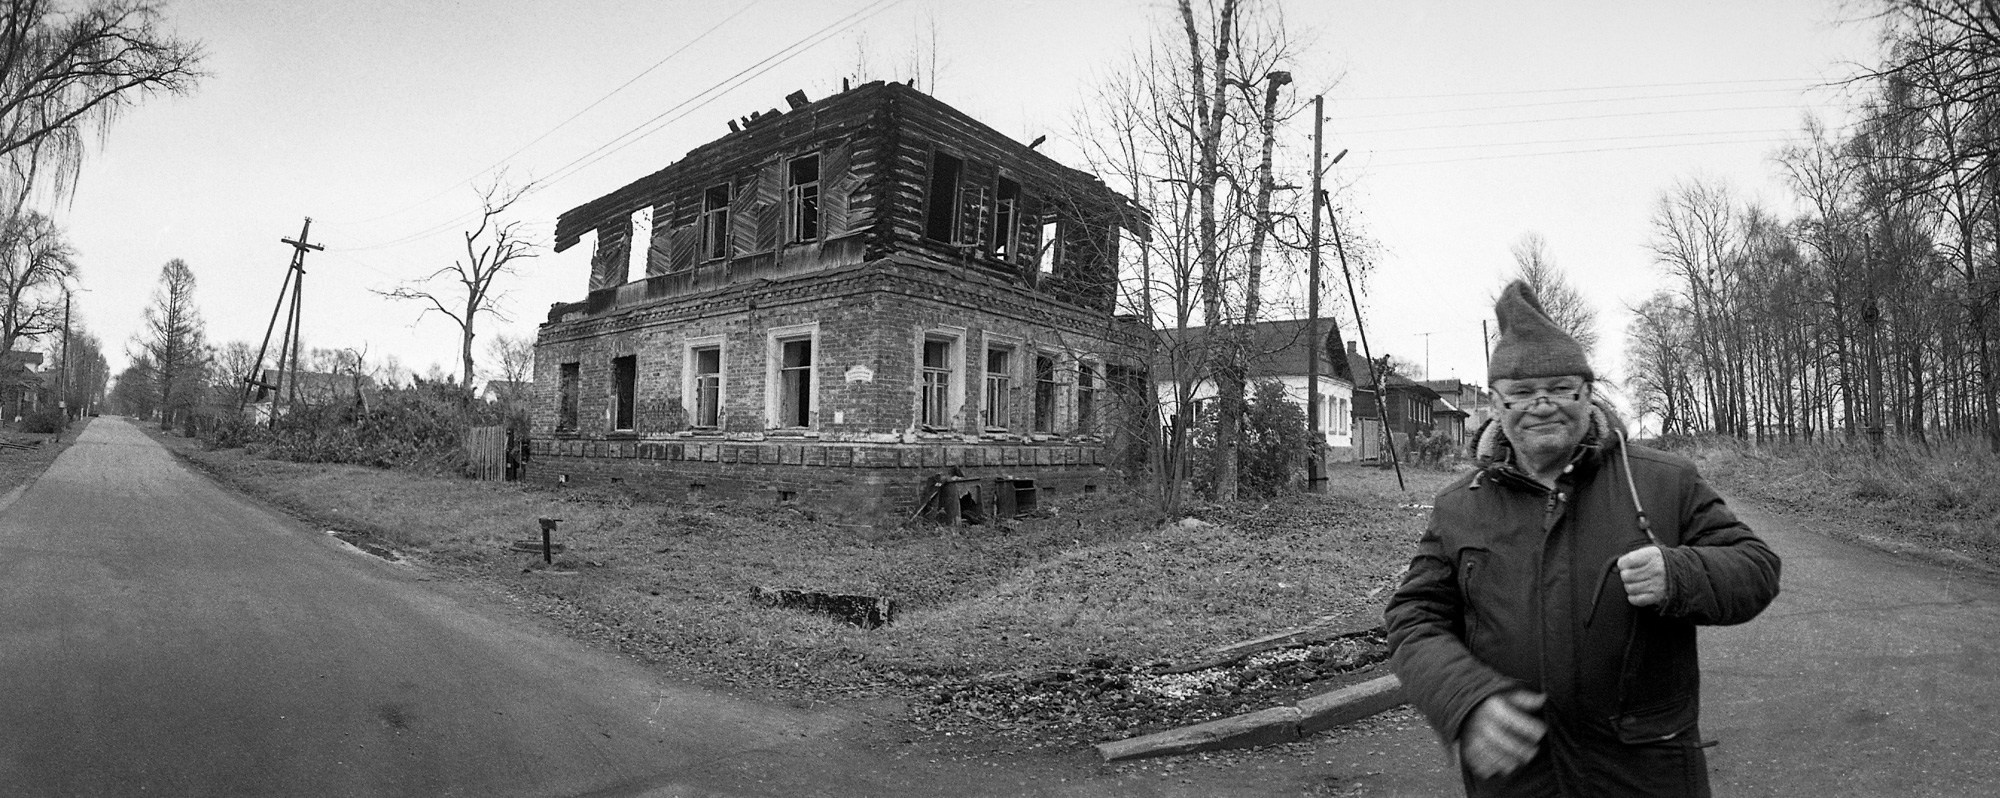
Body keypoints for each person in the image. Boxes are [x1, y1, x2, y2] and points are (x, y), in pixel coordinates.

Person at [1384, 281, 1781, 797]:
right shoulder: (1462, 505)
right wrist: (1464, 697)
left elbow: (1755, 567)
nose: (1542, 405)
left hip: (1647, 775)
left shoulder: (1663, 481)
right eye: (1523, 393)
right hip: (1520, 782)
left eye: (1561, 389)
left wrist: (1681, 574)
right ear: (1497, 405)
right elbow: (1412, 616)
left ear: (1588, 394)